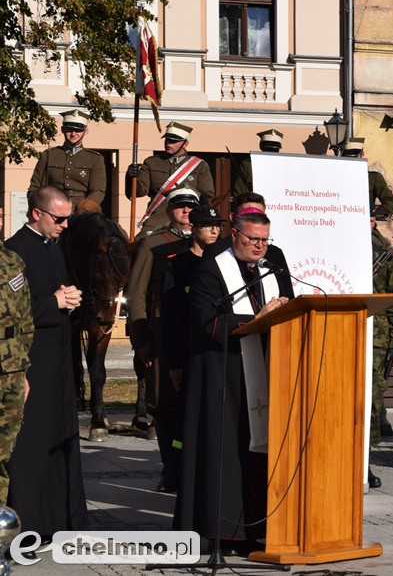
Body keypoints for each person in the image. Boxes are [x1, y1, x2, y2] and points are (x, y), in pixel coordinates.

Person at [175, 209, 293, 554]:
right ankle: (223, 531)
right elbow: (206, 320)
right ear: (235, 236)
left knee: (262, 447)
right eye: (253, 239)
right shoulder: (211, 269)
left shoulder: (273, 267)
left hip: (268, 369)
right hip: (222, 374)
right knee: (225, 450)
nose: (260, 247)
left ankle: (263, 526)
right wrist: (258, 318)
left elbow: (289, 306)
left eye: (265, 240)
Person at [4, 186, 88, 535]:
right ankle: (31, 521)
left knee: (59, 439)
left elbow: (58, 295)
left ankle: (60, 518)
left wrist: (72, 298)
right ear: (37, 214)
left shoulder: (53, 248)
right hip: (31, 361)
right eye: (60, 218)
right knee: (32, 445)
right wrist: (54, 302)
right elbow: (14, 315)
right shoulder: (16, 252)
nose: (66, 225)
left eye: (69, 218)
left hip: (59, 360)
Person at [126, 187, 198, 473]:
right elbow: (137, 294)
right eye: (180, 207)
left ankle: (191, 464)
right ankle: (170, 465)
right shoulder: (153, 244)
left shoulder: (207, 243)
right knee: (166, 404)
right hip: (161, 335)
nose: (186, 212)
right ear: (169, 211)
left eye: (191, 208)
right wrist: (141, 338)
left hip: (197, 334)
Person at [158, 203, 224, 494]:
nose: (213, 230)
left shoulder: (225, 263)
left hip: (214, 350)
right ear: (193, 229)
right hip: (185, 352)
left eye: (217, 226)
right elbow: (170, 317)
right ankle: (175, 469)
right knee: (180, 417)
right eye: (206, 226)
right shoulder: (177, 264)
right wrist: (173, 362)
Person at [126, 122, 215, 235]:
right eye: (167, 140)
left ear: (185, 144)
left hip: (188, 221)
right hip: (156, 221)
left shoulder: (199, 166)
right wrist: (130, 177)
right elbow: (139, 192)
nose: (168, 143)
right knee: (140, 246)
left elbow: (207, 197)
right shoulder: (151, 162)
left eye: (174, 141)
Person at [370, 208, 393, 488]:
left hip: (378, 337)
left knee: (372, 400)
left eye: (371, 217)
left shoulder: (384, 254)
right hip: (343, 331)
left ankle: (365, 460)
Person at [0, 244, 33, 505]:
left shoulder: (12, 260)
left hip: (11, 369)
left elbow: (24, 319)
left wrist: (22, 371)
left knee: (3, 453)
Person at [29, 109, 106, 213]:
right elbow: (35, 188)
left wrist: (85, 209)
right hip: (52, 210)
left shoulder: (95, 159)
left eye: (78, 130)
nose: (73, 133)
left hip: (83, 212)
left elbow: (98, 190)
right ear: (62, 129)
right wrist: (41, 209)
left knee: (114, 229)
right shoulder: (48, 155)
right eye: (69, 129)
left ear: (85, 132)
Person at [232, 128, 283, 196]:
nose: (271, 151)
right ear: (261, 147)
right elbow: (240, 191)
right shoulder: (248, 165)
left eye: (274, 149)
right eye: (268, 149)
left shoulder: (284, 166)